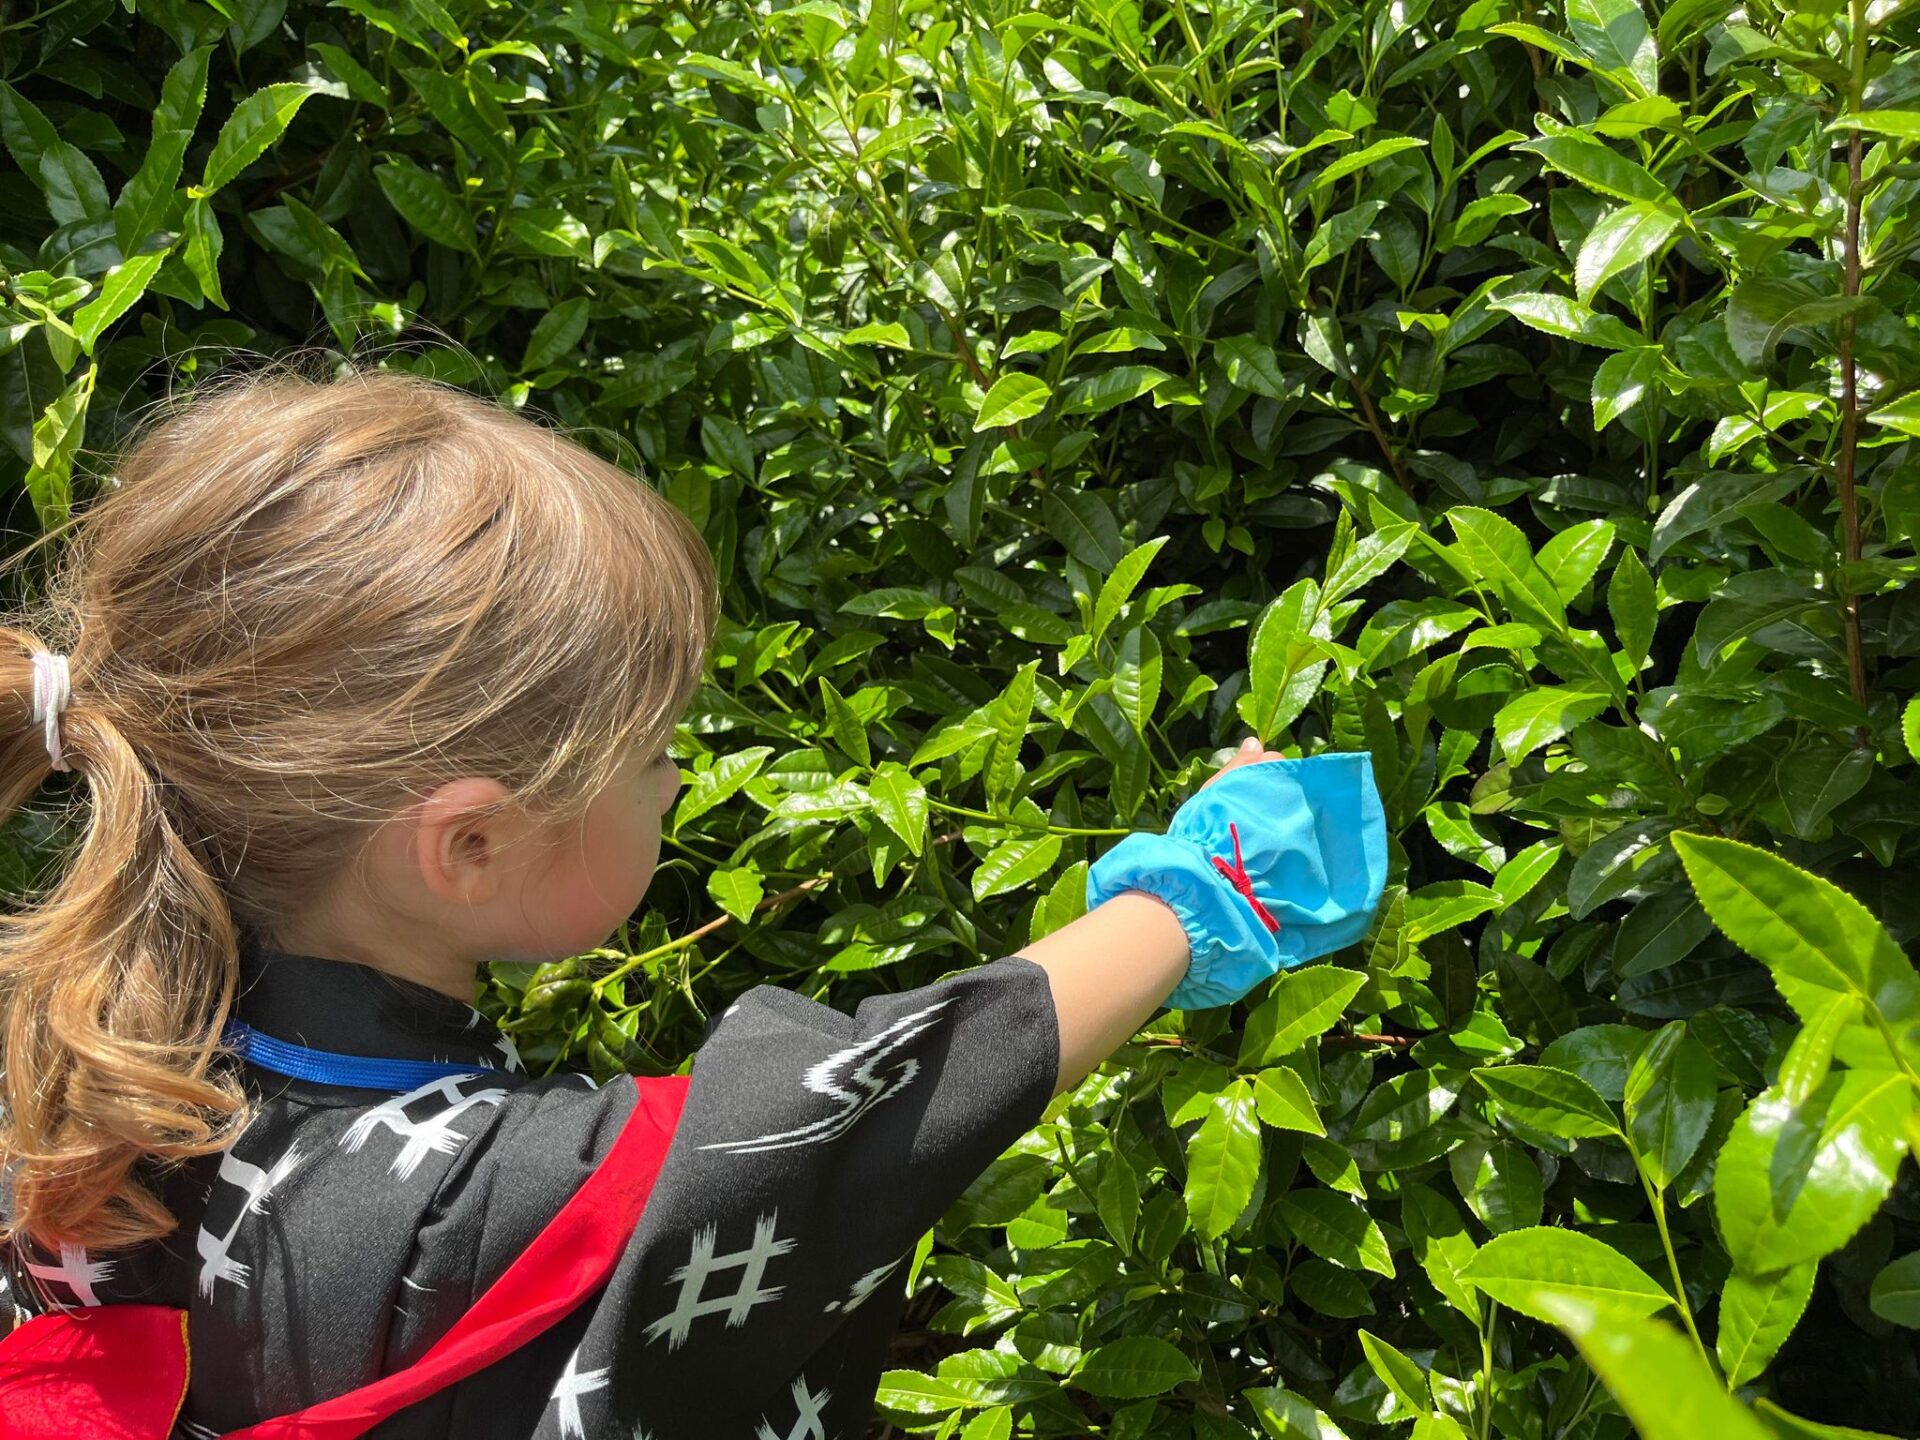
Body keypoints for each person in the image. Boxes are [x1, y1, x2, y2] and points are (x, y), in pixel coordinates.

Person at [0, 366, 1386, 1439]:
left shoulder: (89, 1072)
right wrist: (1203, 894)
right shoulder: (464, 1212)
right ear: (467, 848)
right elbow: (841, 1128)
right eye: (651, 750)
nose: (678, 780)